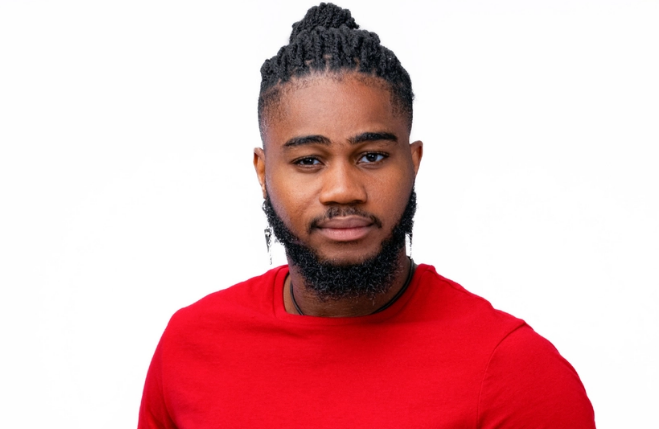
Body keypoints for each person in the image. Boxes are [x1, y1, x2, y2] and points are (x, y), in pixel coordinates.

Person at [138, 3, 595, 428]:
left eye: (372, 156)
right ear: (263, 171)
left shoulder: (515, 372)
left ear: (413, 163)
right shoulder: (190, 348)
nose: (343, 190)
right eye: (309, 160)